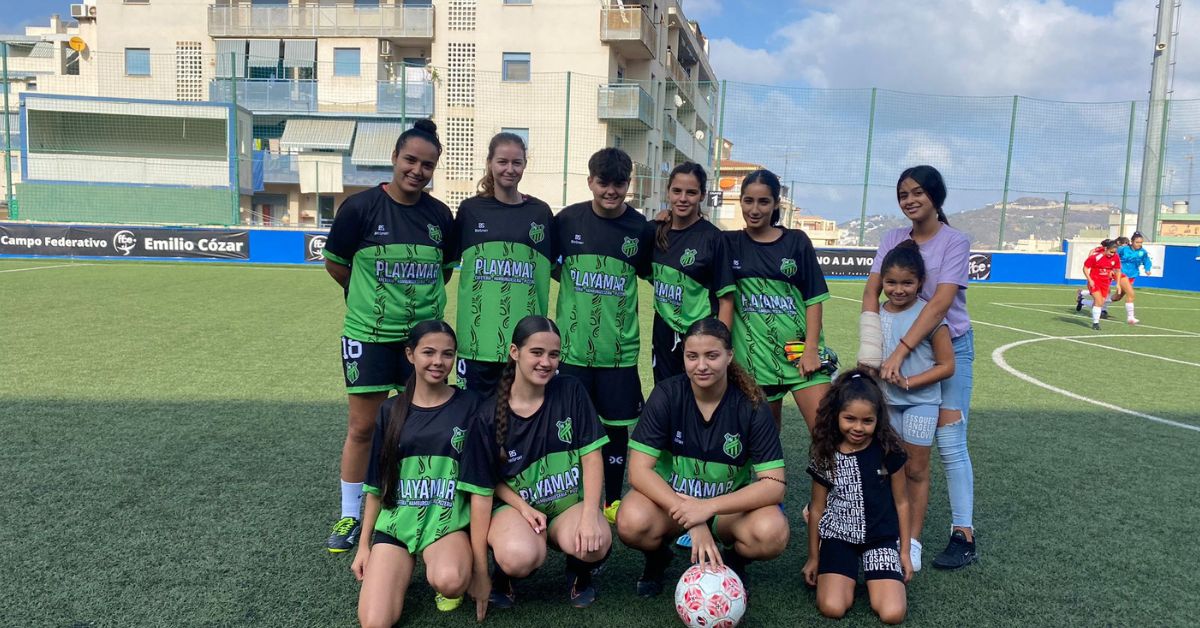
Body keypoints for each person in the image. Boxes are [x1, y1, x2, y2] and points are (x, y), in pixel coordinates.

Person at [322, 119, 458, 552]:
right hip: (369, 336)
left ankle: (408, 506)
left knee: (417, 426)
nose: (417, 170)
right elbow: (336, 264)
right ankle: (350, 514)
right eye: (410, 160)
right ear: (394, 157)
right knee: (363, 427)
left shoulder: (440, 216)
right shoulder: (359, 208)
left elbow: (443, 272)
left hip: (423, 342)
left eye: (427, 165)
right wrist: (364, 296)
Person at [616, 318, 788, 596]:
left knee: (772, 533)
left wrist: (708, 507)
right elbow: (638, 471)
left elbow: (774, 485)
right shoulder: (667, 395)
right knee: (630, 521)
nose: (702, 365)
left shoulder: (752, 405)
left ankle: (733, 561)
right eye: (692, 356)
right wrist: (693, 518)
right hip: (673, 504)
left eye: (712, 355)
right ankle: (658, 558)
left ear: (729, 356)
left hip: (727, 511)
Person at [860, 165, 977, 570]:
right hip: (895, 353)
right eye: (903, 194)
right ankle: (890, 533)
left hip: (947, 347)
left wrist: (900, 352)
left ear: (935, 196)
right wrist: (871, 351)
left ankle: (963, 533)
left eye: (917, 193)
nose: (910, 200)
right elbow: (871, 291)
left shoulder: (954, 241)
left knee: (950, 442)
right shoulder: (893, 238)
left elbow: (941, 303)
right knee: (890, 450)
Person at [352, 321, 494, 627]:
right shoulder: (390, 410)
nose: (438, 362)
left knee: (450, 579)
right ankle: (396, 568)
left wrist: (481, 571)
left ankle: (443, 566)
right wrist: (364, 545)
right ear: (410, 354)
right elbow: (376, 484)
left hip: (445, 524)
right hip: (396, 525)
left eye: (447, 354)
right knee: (374, 622)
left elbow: (481, 485)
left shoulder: (470, 405)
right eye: (428, 352)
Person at [479, 316, 612, 609]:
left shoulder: (571, 390)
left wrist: (590, 514)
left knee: (597, 541)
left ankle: (578, 571)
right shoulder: (489, 412)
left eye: (553, 354)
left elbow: (592, 456)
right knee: (519, 556)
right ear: (515, 352)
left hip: (566, 504)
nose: (546, 362)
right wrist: (523, 508)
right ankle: (504, 574)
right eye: (536, 352)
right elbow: (488, 480)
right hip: (518, 509)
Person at [552, 147, 655, 524]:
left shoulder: (641, 229)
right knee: (568, 425)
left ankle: (611, 499)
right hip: (572, 351)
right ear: (590, 181)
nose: (611, 191)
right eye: (603, 183)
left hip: (618, 352)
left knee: (615, 426)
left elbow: (653, 274)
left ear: (629, 184)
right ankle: (570, 495)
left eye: (619, 183)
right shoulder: (567, 220)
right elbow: (552, 267)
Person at [724, 169, 832, 432]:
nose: (755, 209)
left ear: (775, 204)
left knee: (826, 432)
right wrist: (667, 217)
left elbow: (814, 299)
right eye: (748, 201)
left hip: (801, 355)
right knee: (766, 438)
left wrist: (811, 349)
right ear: (741, 201)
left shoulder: (796, 242)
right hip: (756, 362)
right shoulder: (728, 243)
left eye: (763, 201)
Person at [802, 369, 911, 625]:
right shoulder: (826, 453)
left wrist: (904, 552)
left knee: (892, 613)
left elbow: (902, 502)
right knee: (832, 607)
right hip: (839, 536)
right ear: (836, 415)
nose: (858, 427)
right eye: (849, 418)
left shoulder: (889, 450)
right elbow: (817, 508)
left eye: (867, 421)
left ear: (878, 419)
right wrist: (813, 557)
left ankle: (878, 573)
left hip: (880, 537)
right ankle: (835, 562)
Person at [874, 240, 955, 572]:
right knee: (888, 470)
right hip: (885, 406)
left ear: (920, 282)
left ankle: (913, 541)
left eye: (907, 282)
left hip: (920, 404)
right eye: (891, 282)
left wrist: (909, 382)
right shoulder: (876, 313)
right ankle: (889, 532)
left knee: (916, 471)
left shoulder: (928, 315)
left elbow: (947, 366)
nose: (898, 290)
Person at [453, 132, 554, 393]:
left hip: (526, 344)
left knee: (521, 413)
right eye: (502, 162)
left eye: (516, 162)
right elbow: (446, 266)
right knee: (473, 413)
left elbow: (559, 267)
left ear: (525, 165)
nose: (510, 169)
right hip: (476, 343)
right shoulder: (470, 210)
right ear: (489, 163)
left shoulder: (540, 213)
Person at [651, 162, 735, 383]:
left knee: (700, 394)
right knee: (666, 392)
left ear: (702, 195)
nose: (682, 198)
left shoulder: (713, 238)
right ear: (668, 192)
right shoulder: (655, 231)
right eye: (677, 191)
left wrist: (722, 345)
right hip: (663, 332)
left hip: (700, 334)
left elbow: (726, 300)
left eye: (691, 192)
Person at [1075, 236, 1129, 319]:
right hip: (1100, 275)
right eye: (1125, 244)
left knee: (1104, 296)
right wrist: (1090, 261)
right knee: (1101, 296)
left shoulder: (1119, 252)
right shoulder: (1104, 249)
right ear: (1119, 243)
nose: (1126, 246)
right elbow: (1092, 252)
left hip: (1109, 275)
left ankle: (1083, 299)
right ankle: (1102, 309)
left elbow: (1117, 265)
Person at [1110, 232, 1152, 325]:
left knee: (1117, 297)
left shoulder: (1143, 252)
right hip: (1121, 273)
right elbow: (1111, 256)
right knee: (1131, 293)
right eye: (1137, 242)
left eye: (1141, 242)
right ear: (1132, 242)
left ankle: (1091, 303)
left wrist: (1147, 269)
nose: (1139, 244)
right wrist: (1111, 268)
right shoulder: (1123, 249)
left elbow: (1147, 261)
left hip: (1132, 275)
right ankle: (1130, 318)